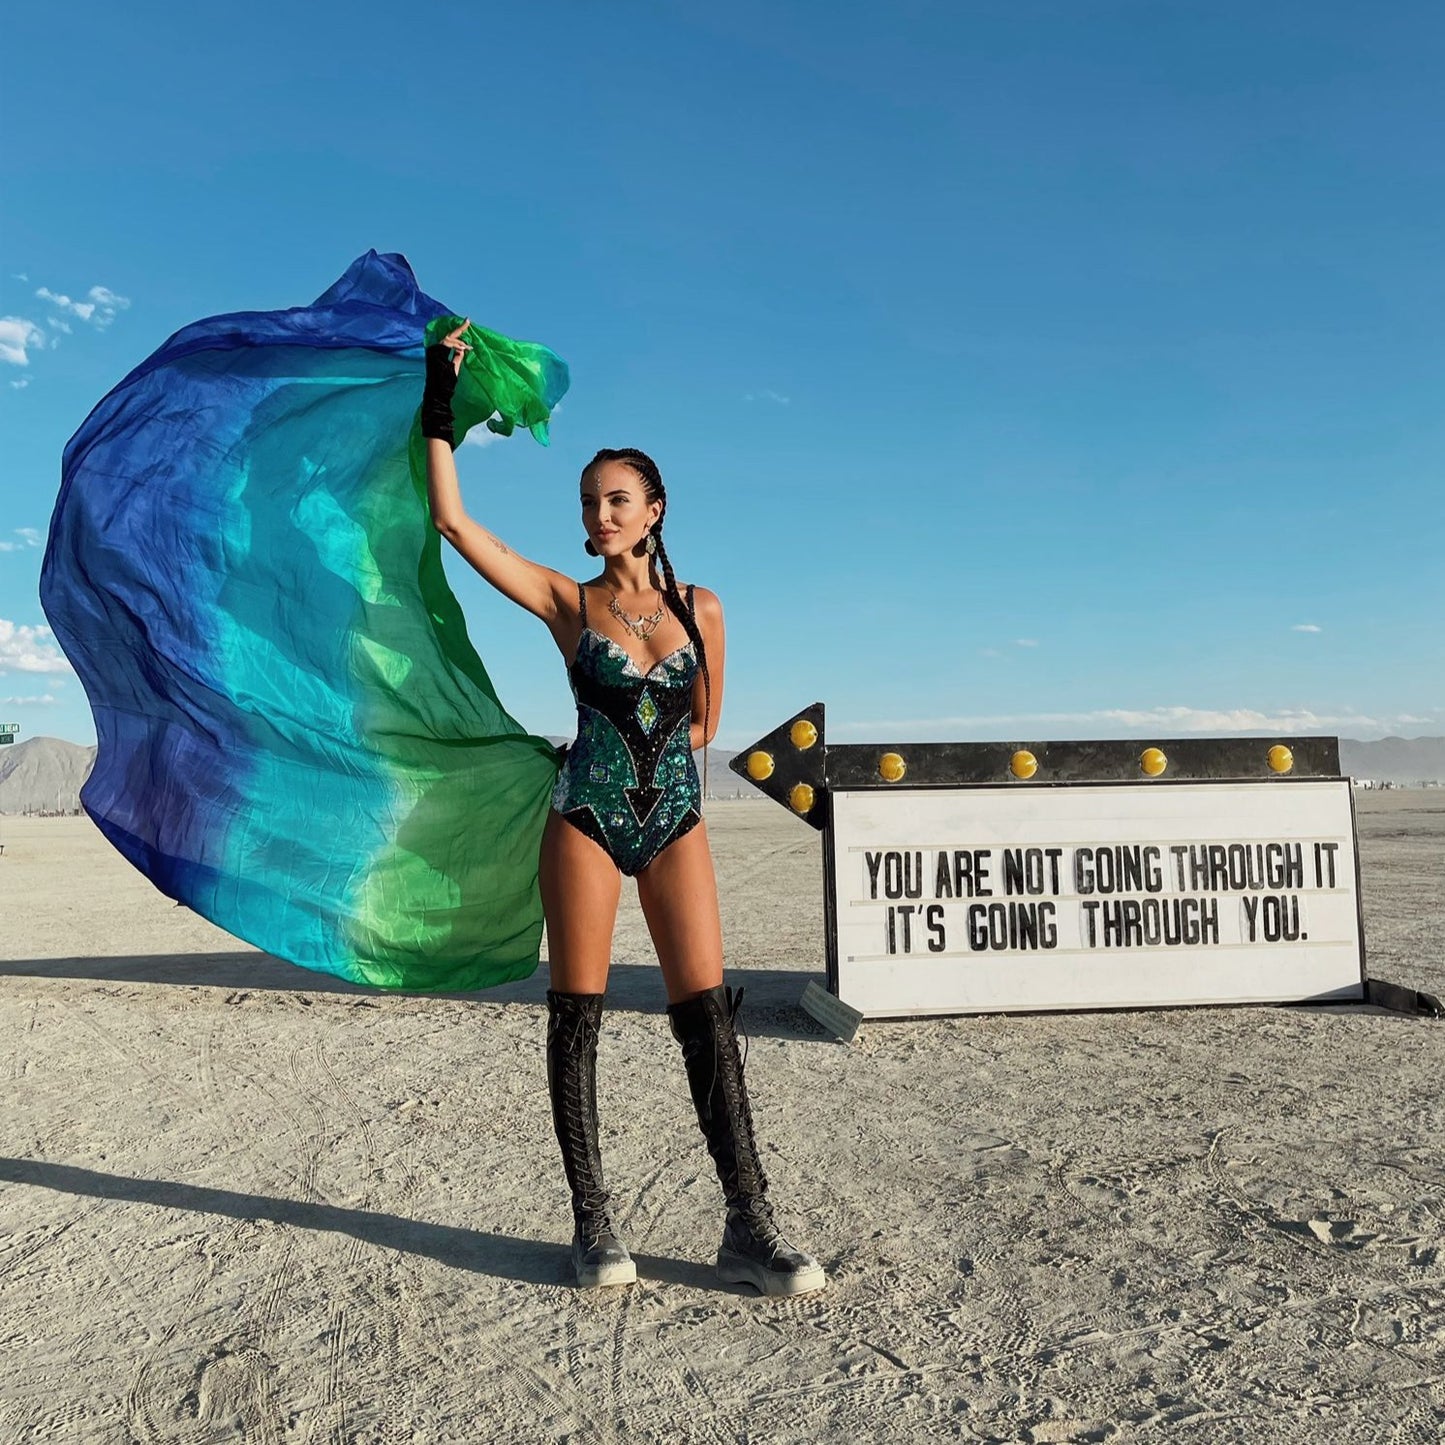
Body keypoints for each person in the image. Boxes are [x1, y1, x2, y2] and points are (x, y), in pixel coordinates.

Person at [422, 323, 825, 1296]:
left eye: (614, 500)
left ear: (653, 511)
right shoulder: (566, 601)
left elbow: (704, 721)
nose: (597, 514)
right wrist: (440, 398)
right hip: (586, 819)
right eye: (587, 501)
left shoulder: (702, 608)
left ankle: (748, 1222)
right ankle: (593, 1225)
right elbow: (454, 525)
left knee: (708, 1018)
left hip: (676, 820)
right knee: (578, 1016)